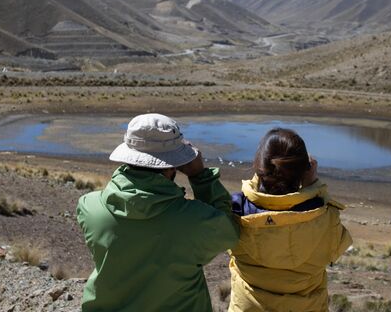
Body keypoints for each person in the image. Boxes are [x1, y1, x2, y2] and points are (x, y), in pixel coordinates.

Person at [76, 113, 239, 312]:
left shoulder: (88, 207)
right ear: (174, 165)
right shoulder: (194, 220)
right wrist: (200, 177)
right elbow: (229, 230)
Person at [229, 128, 352, 312]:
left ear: (259, 166)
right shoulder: (325, 217)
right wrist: (314, 187)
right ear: (305, 170)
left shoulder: (237, 212)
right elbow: (337, 249)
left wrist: (259, 179)